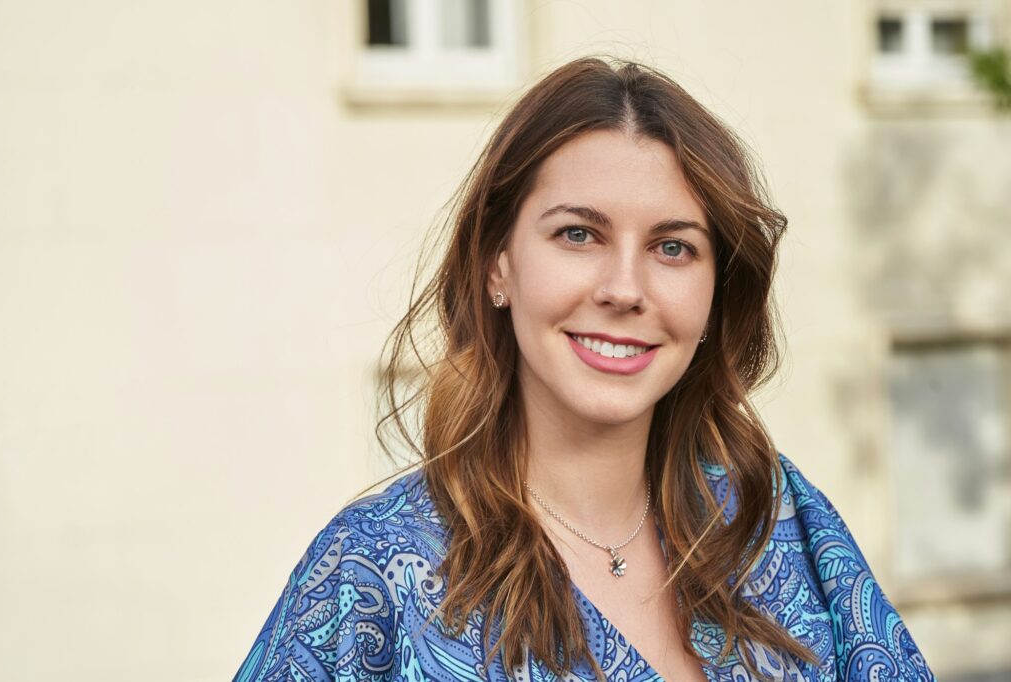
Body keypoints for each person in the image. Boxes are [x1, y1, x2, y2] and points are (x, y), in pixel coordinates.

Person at [232, 57, 935, 682]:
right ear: (496, 264)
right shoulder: (369, 579)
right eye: (578, 234)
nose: (624, 289)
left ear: (717, 290)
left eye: (673, 248)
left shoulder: (776, 521)